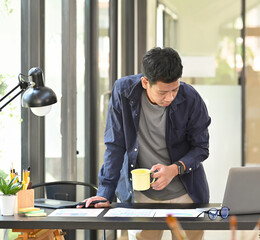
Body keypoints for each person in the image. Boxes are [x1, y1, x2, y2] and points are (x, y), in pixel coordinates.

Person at [79, 47, 211, 240]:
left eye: (175, 89)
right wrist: (105, 193)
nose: (170, 97)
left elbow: (201, 148)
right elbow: (115, 145)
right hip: (141, 195)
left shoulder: (191, 98)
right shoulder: (123, 91)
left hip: (185, 194)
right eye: (163, 92)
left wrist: (174, 169)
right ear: (145, 82)